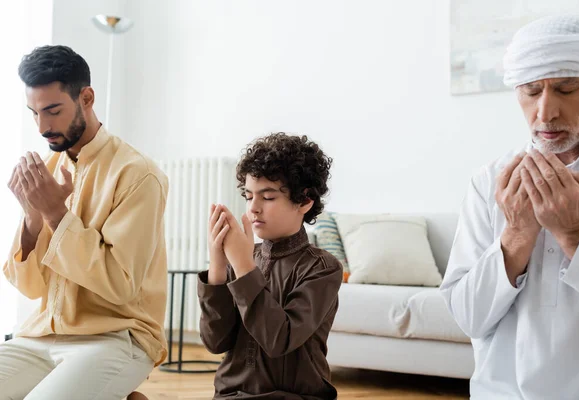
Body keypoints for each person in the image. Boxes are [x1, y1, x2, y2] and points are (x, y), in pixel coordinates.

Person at [441, 16, 579, 399]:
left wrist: (574, 234)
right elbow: (468, 317)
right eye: (531, 91)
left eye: (565, 89)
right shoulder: (490, 181)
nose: (545, 113)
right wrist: (516, 235)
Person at [0, 45, 169, 400]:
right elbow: (31, 288)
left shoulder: (138, 174)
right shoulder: (47, 170)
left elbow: (120, 284)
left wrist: (55, 215)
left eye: (53, 110)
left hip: (116, 337)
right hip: (40, 336)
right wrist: (32, 219)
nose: (43, 127)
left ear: (86, 98)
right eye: (34, 113)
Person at [198, 133, 343, 399]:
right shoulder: (243, 257)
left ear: (304, 200)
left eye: (267, 197)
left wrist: (242, 266)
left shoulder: (323, 268)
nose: (253, 208)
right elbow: (215, 342)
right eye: (249, 195)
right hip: (230, 394)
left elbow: (279, 340)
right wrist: (218, 266)